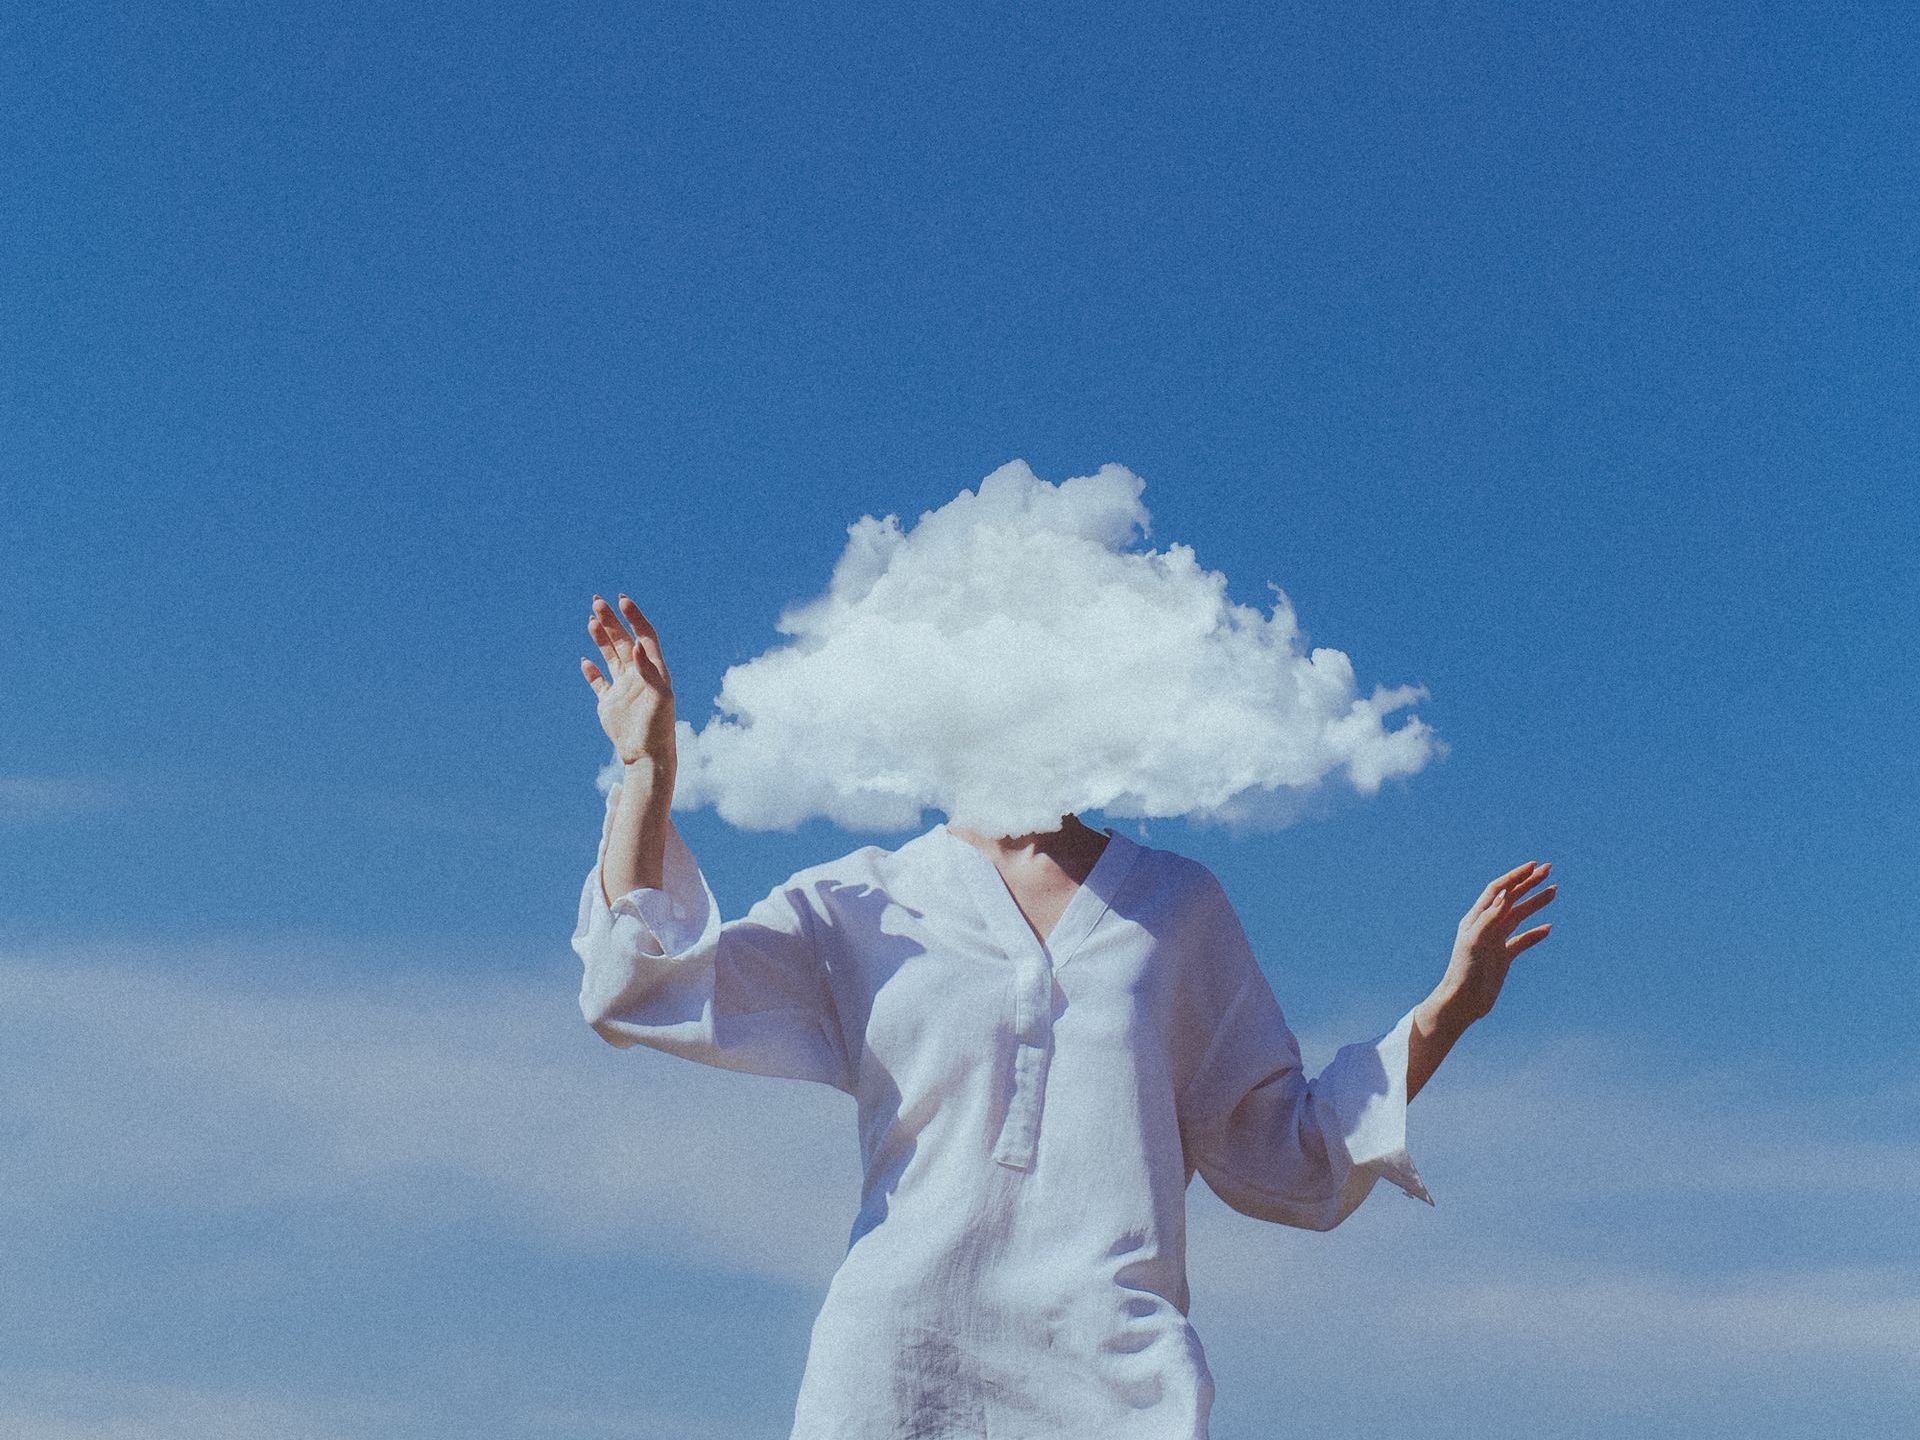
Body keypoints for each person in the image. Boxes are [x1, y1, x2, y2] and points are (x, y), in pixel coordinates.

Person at [573, 592, 1557, 1440]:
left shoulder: (1177, 908)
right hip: (896, 1375)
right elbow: (645, 986)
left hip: (1114, 1378)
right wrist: (648, 772)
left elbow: (1277, 1150)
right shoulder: (869, 900)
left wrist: (1447, 1010)